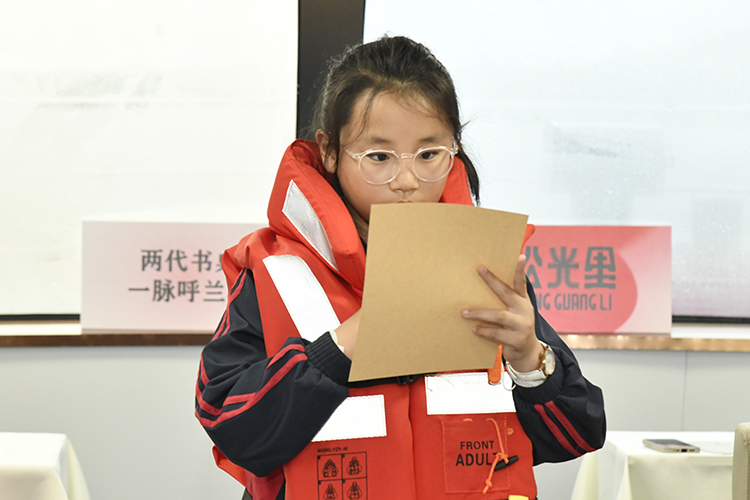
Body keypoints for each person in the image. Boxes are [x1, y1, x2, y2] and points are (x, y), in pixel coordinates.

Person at [195, 35, 606, 500]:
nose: (407, 180)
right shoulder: (274, 271)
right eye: (379, 157)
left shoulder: (486, 266)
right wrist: (340, 348)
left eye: (429, 155)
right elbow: (233, 430)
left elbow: (579, 435)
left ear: (453, 149)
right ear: (329, 151)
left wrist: (530, 360)